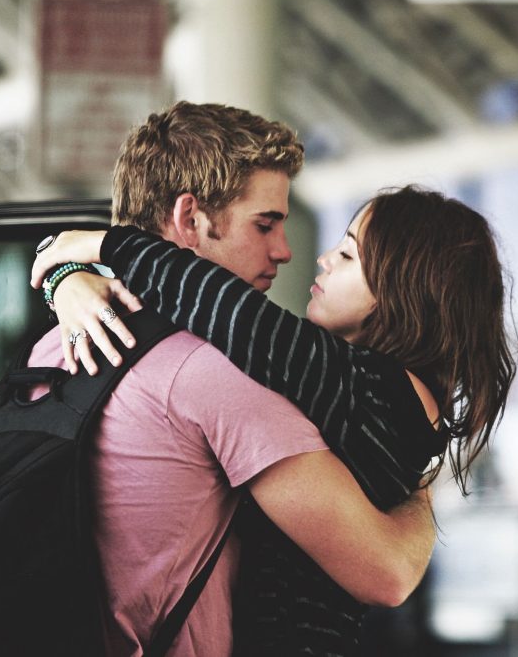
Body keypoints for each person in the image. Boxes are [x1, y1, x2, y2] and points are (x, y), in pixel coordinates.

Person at [30, 103, 445, 657]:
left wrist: (63, 272)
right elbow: (383, 572)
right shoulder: (222, 375)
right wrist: (419, 493)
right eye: (265, 224)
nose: (286, 251)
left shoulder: (53, 344)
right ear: (190, 219)